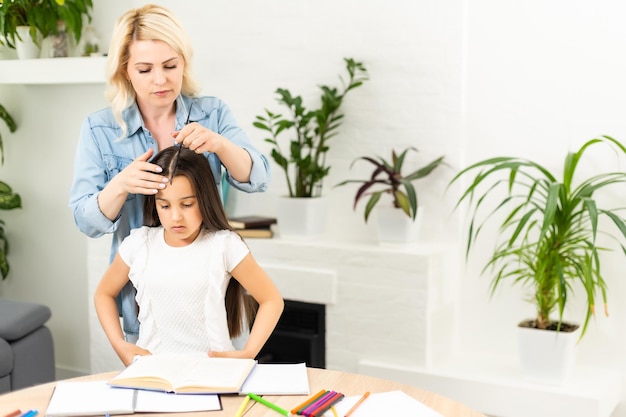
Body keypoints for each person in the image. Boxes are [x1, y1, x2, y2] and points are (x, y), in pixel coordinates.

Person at [69, 4, 271, 343]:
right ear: (126, 70)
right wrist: (120, 185)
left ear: (184, 62)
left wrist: (220, 145)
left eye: (170, 66)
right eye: (145, 69)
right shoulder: (99, 129)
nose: (160, 79)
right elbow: (85, 221)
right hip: (144, 309)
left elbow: (259, 177)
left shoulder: (213, 113)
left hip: (213, 303)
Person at [94, 147, 283, 366]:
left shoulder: (224, 245)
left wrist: (249, 352)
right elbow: (103, 294)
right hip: (153, 372)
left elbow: (271, 300)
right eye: (164, 205)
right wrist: (120, 345)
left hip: (214, 371)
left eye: (187, 204)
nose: (176, 217)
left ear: (204, 199)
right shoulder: (139, 244)